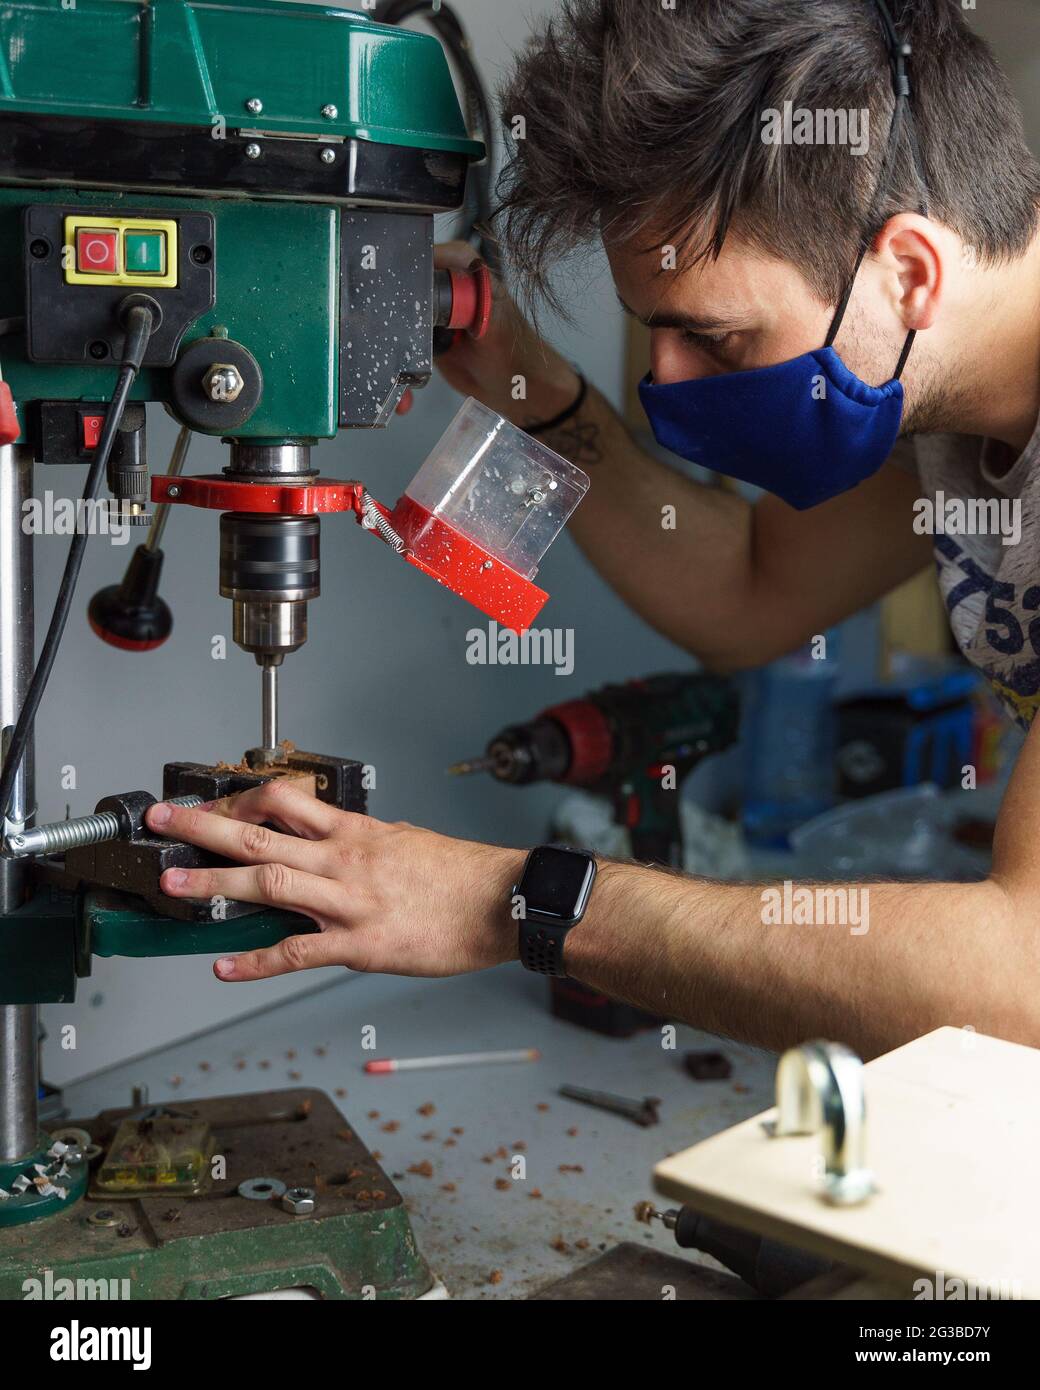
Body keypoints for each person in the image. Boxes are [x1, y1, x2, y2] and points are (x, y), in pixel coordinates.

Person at [146, 0, 1040, 1057]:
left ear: (908, 274)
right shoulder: (930, 401)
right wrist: (539, 397)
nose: (665, 381)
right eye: (653, 331)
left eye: (711, 335)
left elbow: (1020, 972)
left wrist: (509, 899)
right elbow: (749, 596)